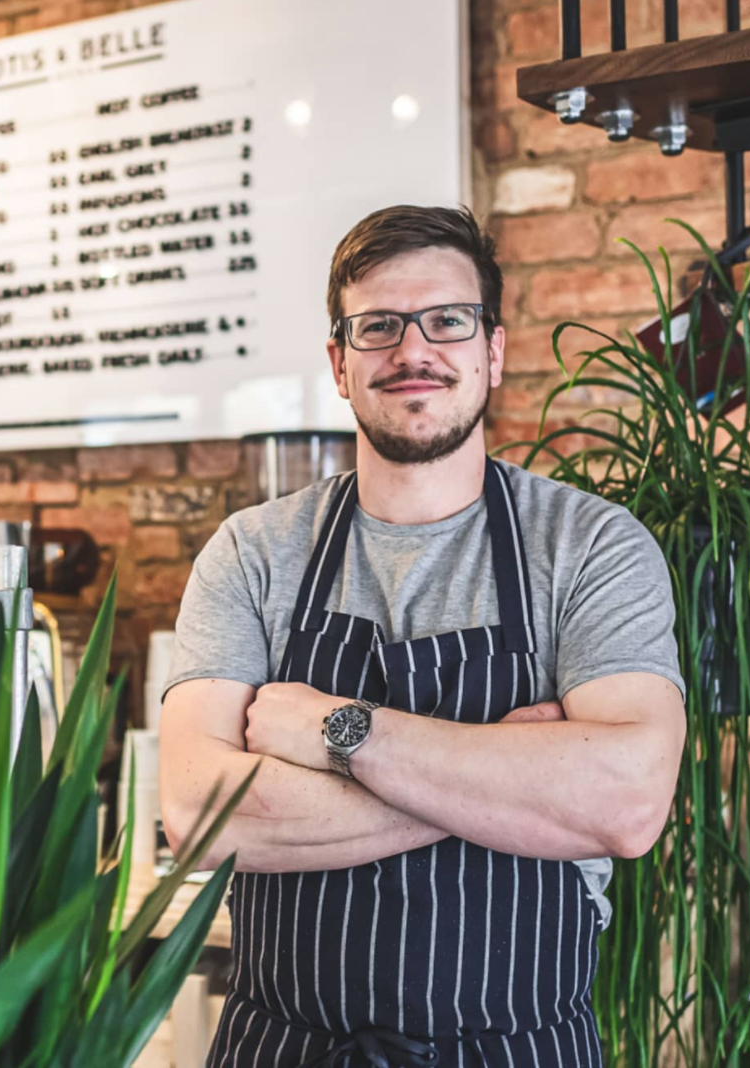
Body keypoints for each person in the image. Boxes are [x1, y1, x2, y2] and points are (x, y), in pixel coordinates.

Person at [158, 205, 687, 1068]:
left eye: (448, 320)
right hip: (285, 1046)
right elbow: (198, 812)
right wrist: (509, 789)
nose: (414, 351)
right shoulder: (253, 553)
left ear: (493, 351)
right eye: (378, 327)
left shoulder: (590, 545)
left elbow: (627, 803)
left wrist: (332, 732)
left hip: (521, 1049)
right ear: (339, 361)